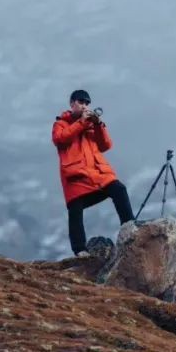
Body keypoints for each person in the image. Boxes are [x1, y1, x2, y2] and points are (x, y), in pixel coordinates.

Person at [52, 89, 135, 255]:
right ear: (72, 103)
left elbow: (106, 146)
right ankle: (79, 250)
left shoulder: (91, 124)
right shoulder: (60, 124)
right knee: (75, 210)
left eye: (87, 103)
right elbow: (60, 139)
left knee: (119, 189)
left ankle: (130, 228)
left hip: (97, 174)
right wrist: (81, 123)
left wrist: (98, 124)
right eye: (81, 102)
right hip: (76, 177)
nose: (84, 106)